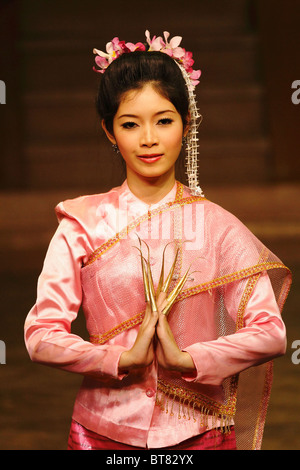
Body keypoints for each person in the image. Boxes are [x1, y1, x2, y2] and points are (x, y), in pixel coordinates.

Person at [24, 30, 292, 451]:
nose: (148, 138)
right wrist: (115, 359)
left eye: (164, 120)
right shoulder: (81, 222)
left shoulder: (217, 225)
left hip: (199, 433)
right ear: (110, 132)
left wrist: (191, 361)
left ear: (187, 124)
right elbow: (40, 335)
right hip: (102, 433)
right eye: (130, 124)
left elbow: (271, 332)